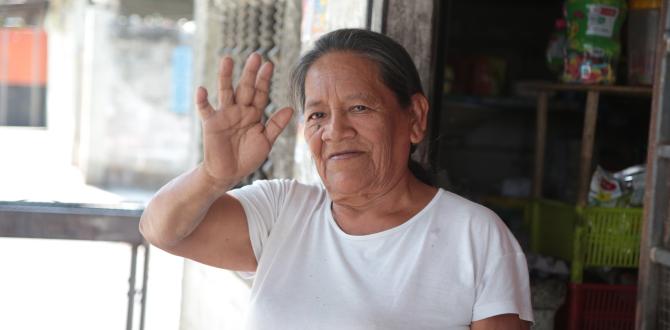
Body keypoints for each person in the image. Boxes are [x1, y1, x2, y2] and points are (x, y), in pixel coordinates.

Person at [140, 28, 533, 329]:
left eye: (359, 107)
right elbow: (162, 230)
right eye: (317, 115)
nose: (335, 130)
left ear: (414, 118)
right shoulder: (282, 212)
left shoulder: (476, 236)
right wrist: (213, 175)